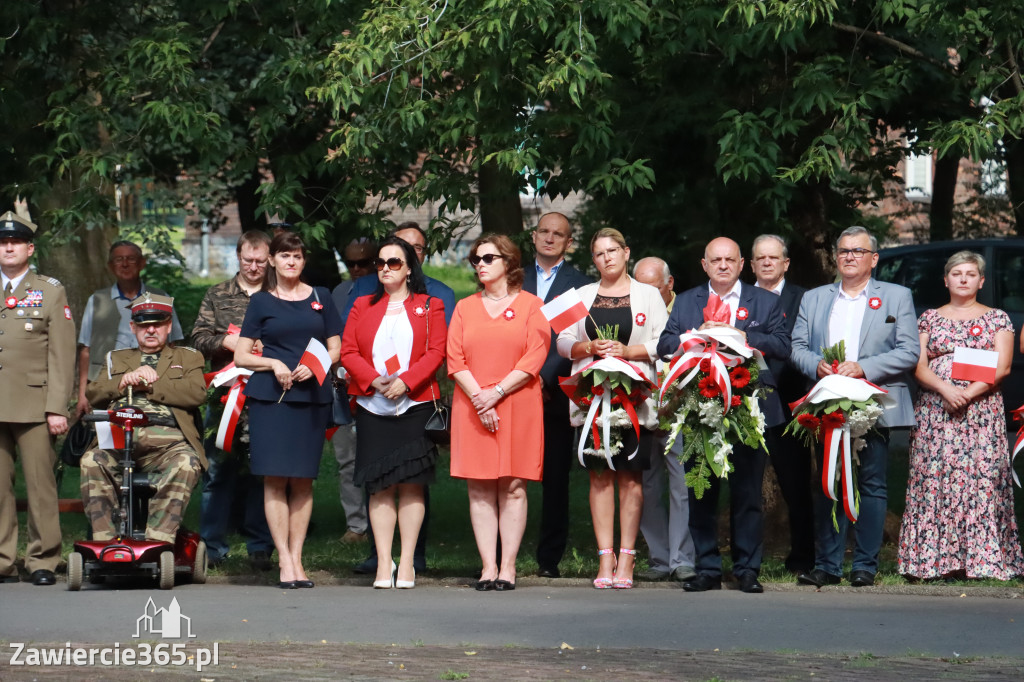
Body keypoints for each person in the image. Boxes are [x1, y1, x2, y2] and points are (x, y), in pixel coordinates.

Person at [656, 237, 789, 594]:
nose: (723, 265)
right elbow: (664, 345)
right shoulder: (686, 302)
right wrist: (696, 337)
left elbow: (782, 345)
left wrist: (741, 336)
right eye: (716, 260)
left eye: (730, 259)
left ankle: (747, 569)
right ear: (704, 265)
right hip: (701, 408)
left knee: (747, 493)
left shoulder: (764, 300)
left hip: (749, 408)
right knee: (702, 492)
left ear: (742, 263)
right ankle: (707, 568)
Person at [791, 226, 919, 588]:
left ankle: (865, 564)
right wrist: (815, 365)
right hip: (828, 402)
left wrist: (864, 367)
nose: (849, 256)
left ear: (873, 259)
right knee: (829, 480)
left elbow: (909, 350)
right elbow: (797, 346)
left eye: (858, 251)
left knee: (873, 483)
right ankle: (828, 566)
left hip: (874, 402)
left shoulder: (896, 296)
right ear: (836, 257)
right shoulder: (815, 298)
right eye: (844, 251)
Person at [898, 251, 1024, 580]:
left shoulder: (997, 318)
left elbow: (1003, 366)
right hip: (936, 411)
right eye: (957, 273)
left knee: (981, 482)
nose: (964, 278)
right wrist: (946, 389)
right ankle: (932, 562)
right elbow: (918, 365)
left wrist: (966, 393)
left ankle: (981, 563)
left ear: (981, 281)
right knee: (934, 481)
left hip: (980, 412)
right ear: (946, 280)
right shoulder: (927, 318)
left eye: (970, 273)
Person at [557, 228, 668, 590]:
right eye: (599, 253)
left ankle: (627, 558)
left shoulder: (649, 295)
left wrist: (627, 352)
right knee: (599, 476)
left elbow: (663, 342)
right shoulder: (582, 296)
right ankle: (605, 557)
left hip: (634, 400)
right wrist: (587, 347)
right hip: (593, 400)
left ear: (626, 252)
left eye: (613, 251)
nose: (607, 258)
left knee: (631, 479)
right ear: (594, 259)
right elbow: (562, 341)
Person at [343, 223, 454, 576]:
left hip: (414, 406)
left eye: (394, 263)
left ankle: (406, 563)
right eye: (381, 263)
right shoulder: (362, 305)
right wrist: (373, 380)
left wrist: (406, 382)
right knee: (378, 487)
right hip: (372, 406)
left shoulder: (430, 305)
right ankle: (383, 563)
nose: (386, 269)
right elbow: (348, 351)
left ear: (409, 268)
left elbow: (437, 351)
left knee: (411, 486)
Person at [234, 232, 342, 589]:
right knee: (275, 478)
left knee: (303, 480)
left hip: (311, 398)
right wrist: (274, 363)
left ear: (303, 260)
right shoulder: (262, 302)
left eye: (296, 256)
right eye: (284, 256)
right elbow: (242, 355)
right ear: (273, 261)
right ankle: (283, 559)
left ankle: (298, 557)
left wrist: (316, 364)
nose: (291, 262)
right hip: (271, 400)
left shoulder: (320, 297)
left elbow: (336, 348)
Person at [448, 234, 550, 591]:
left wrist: (497, 393)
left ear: (508, 262)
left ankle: (508, 567)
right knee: (478, 488)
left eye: (488, 258)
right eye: (476, 258)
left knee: (514, 485)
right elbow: (455, 359)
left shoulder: (532, 306)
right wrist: (481, 398)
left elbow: (534, 356)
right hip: (472, 402)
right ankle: (487, 567)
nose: (480, 264)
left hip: (517, 401)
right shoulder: (464, 308)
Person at [80, 294, 206, 544]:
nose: (150, 330)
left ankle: (157, 541)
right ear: (132, 327)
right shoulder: (116, 358)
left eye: (157, 324)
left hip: (168, 443)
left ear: (169, 326)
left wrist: (150, 386)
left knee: (186, 463)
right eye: (143, 324)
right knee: (91, 461)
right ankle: (105, 542)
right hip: (118, 438)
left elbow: (197, 394)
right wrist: (122, 381)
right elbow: (93, 394)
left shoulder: (188, 357)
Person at [191, 230, 275, 570]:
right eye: (247, 260)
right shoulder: (218, 293)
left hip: (267, 391)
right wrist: (228, 343)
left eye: (259, 261)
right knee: (218, 471)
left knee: (262, 470)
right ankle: (212, 545)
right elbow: (197, 336)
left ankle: (260, 545)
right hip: (225, 395)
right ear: (237, 258)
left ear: (269, 259)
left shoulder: (279, 294)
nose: (253, 266)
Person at [0, 211, 75, 586]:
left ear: (30, 248)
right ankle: (2, 560)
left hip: (33, 406)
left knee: (40, 487)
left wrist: (56, 408)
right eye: (2, 242)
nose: (8, 246)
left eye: (15, 242)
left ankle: (43, 560)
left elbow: (61, 356)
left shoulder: (49, 290)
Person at [522, 212, 592, 579]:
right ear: (534, 236)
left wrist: (543, 379)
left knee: (555, 478)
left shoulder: (580, 285)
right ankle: (501, 556)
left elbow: (574, 341)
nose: (550, 238)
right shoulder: (513, 277)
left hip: (555, 393)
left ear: (569, 242)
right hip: (511, 390)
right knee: (508, 476)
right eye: (544, 232)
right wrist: (519, 379)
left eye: (558, 234)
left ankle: (549, 559)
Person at [750, 234, 815, 574]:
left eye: (773, 258)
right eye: (760, 258)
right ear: (752, 264)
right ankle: (748, 561)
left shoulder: (804, 298)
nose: (767, 263)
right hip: (746, 403)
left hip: (790, 403)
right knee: (746, 486)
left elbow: (804, 347)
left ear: (785, 263)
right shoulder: (740, 299)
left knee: (796, 485)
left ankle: (803, 558)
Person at [632, 256, 696, 583]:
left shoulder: (686, 310)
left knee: (681, 485)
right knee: (645, 484)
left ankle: (682, 559)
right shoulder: (631, 309)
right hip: (640, 406)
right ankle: (659, 558)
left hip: (679, 407)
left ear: (669, 284)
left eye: (653, 288)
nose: (645, 294)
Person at [75, 240, 184, 419]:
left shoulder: (160, 298)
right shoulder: (97, 300)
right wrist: (82, 395)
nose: (124, 264)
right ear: (110, 266)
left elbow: (173, 345)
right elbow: (85, 350)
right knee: (107, 438)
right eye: (118, 259)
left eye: (131, 259)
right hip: (106, 385)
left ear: (142, 263)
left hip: (152, 383)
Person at [330, 237, 377, 545]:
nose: (357, 269)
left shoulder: (386, 293)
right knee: (346, 459)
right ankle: (356, 525)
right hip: (342, 388)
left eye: (364, 262)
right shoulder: (338, 293)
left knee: (379, 459)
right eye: (351, 264)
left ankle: (381, 523)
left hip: (378, 387)